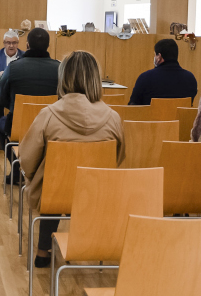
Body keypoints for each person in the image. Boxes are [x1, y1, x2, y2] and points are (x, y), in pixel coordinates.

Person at [19, 51, 125, 268]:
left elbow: (27, 159)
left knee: (50, 180)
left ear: (63, 78)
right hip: (97, 193)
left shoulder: (48, 115)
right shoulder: (113, 118)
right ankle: (92, 247)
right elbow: (119, 157)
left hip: (52, 195)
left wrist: (33, 177)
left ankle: (42, 251)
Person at [0, 27, 60, 149]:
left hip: (18, 125)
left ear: (27, 45)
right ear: (48, 46)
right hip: (50, 126)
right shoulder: (60, 68)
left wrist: (14, 106)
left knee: (2, 123)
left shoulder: (13, 67)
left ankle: (15, 166)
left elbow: (1, 96)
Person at [128, 38, 197, 106]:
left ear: (159, 57)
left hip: (150, 117)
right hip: (180, 117)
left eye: (155, 55)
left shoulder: (145, 78)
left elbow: (133, 107)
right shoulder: (190, 79)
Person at [0, 30, 24, 146]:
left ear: (18, 43)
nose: (11, 45)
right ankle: (1, 135)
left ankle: (15, 134)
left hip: (18, 92)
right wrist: (0, 73)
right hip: (0, 91)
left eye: (14, 43)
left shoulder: (24, 56)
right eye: (8, 42)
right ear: (4, 43)